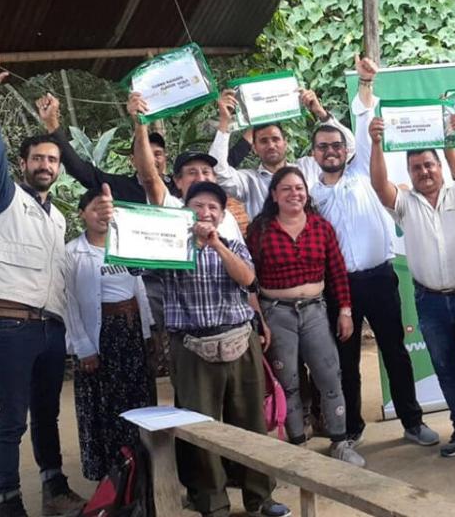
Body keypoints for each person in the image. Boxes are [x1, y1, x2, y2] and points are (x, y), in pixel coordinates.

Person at [0, 48, 87, 517]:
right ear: (24, 165)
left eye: (52, 159)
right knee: (11, 421)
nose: (46, 165)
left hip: (50, 330)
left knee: (48, 416)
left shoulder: (58, 217)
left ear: (58, 168)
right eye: (38, 158)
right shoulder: (5, 197)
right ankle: (8, 501)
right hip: (12, 328)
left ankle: (54, 488)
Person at [368, 110, 455, 463]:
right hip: (429, 300)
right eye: (416, 167)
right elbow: (378, 186)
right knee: (445, 367)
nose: (424, 171)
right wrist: (375, 143)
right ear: (410, 172)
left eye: (429, 165)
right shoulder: (404, 204)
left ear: (440, 166)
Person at [315, 55, 438, 447]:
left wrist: (366, 85)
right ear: (314, 152)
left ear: (347, 149)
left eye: (337, 144)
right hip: (339, 287)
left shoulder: (364, 172)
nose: (331, 150)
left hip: (380, 278)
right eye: (323, 146)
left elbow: (367, 131)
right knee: (345, 363)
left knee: (395, 353)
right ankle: (351, 430)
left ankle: (412, 421)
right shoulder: (309, 187)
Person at [152, 181, 290, 517]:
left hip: (239, 342)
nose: (206, 212)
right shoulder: (170, 248)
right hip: (192, 347)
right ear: (187, 212)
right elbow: (134, 263)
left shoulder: (232, 246)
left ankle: (260, 496)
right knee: (202, 427)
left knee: (250, 421)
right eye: (198, 205)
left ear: (223, 214)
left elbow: (247, 279)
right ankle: (212, 501)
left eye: (213, 207)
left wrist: (216, 245)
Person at [245, 166, 366, 467]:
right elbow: (249, 279)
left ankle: (340, 442)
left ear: (306, 192)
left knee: (329, 376)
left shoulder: (320, 227)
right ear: (274, 194)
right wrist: (258, 320)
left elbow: (338, 273)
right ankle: (298, 448)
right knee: (288, 382)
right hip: (276, 314)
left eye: (299, 188)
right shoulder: (259, 230)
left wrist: (346, 311)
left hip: (315, 310)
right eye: (286, 188)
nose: (294, 194)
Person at [63, 185, 154, 482]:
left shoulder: (127, 246)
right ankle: (112, 474)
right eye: (95, 209)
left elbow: (142, 284)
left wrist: (148, 331)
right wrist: (83, 347)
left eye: (108, 210)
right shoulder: (73, 253)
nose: (103, 216)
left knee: (138, 401)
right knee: (105, 405)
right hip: (101, 338)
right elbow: (70, 303)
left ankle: (140, 468)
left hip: (131, 332)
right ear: (82, 214)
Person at [37, 94, 251, 203]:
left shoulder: (180, 183)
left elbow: (224, 164)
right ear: (133, 160)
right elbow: (80, 170)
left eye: (158, 154)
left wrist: (252, 122)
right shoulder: (120, 187)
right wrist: (53, 126)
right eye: (146, 153)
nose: (153, 159)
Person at [210, 87, 351, 216]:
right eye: (264, 141)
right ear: (254, 148)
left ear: (286, 143)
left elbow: (348, 150)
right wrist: (224, 122)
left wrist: (321, 113)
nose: (271, 145)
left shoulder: (308, 167)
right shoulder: (249, 181)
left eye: (276, 139)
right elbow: (217, 171)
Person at [128, 93, 246, 244]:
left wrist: (225, 120)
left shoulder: (227, 217)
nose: (200, 178)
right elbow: (149, 178)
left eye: (206, 171)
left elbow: (244, 262)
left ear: (215, 178)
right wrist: (140, 125)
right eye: (191, 172)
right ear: (178, 181)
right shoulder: (173, 208)